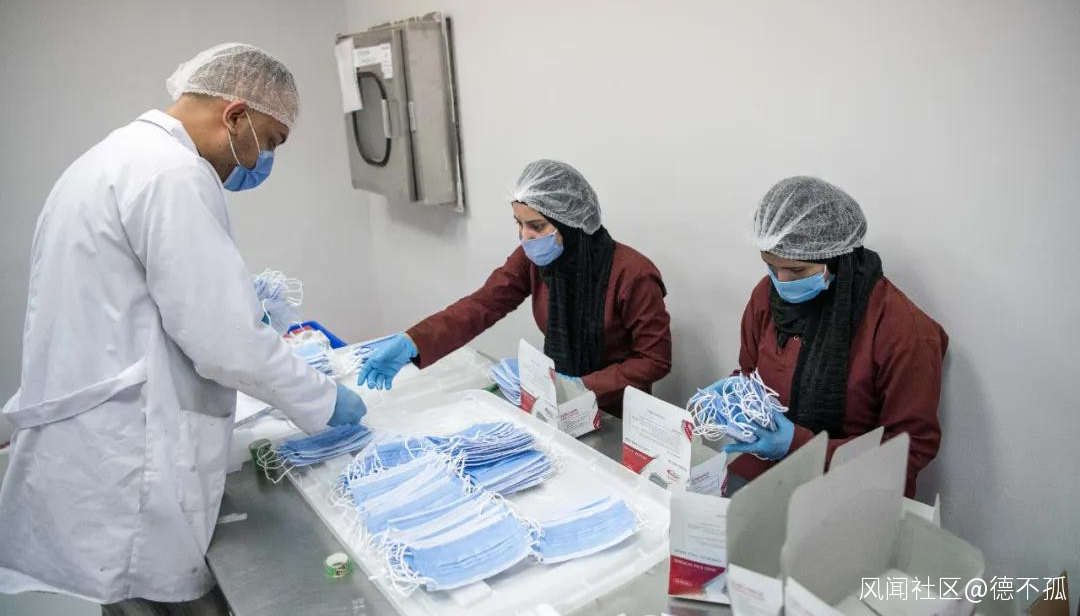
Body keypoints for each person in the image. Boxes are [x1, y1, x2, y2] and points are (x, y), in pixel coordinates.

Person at [0, 43, 367, 615]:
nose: (263, 159)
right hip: (134, 453)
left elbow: (114, 308)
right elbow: (227, 344)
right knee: (165, 599)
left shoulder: (109, 158)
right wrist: (323, 400)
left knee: (128, 601)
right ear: (235, 115)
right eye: (270, 141)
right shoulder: (173, 174)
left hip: (98, 442)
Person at [358, 160, 672, 417]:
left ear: (570, 223)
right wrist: (413, 341)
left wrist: (581, 386)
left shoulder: (633, 275)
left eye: (537, 226)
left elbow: (653, 359)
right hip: (555, 403)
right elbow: (482, 305)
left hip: (619, 414)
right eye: (519, 224)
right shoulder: (535, 259)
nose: (525, 236)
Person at [710, 176, 946, 497]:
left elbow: (910, 448)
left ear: (837, 259)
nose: (781, 281)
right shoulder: (767, 296)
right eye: (770, 265)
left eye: (797, 271)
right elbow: (752, 373)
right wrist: (736, 397)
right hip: (766, 476)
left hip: (852, 494)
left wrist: (799, 445)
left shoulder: (902, 330)